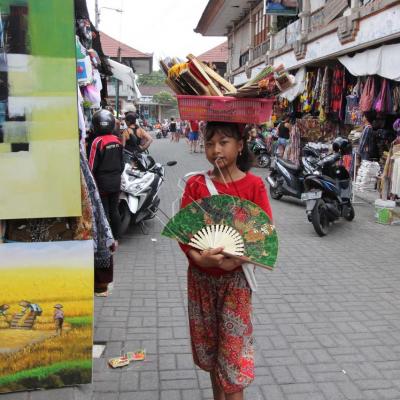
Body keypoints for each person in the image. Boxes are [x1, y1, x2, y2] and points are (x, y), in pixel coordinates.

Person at [179, 121, 273, 400]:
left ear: (240, 145)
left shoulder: (254, 186)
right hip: (200, 280)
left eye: (223, 142)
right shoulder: (196, 184)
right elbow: (183, 233)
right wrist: (199, 258)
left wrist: (237, 260)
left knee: (232, 359)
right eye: (209, 143)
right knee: (210, 350)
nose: (215, 149)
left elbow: (264, 235)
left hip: (235, 284)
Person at [89, 109, 124, 242]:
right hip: (116, 180)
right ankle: (117, 237)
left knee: (104, 211)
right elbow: (122, 163)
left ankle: (106, 239)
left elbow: (91, 165)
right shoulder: (117, 140)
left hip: (102, 182)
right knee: (114, 210)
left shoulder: (97, 141)